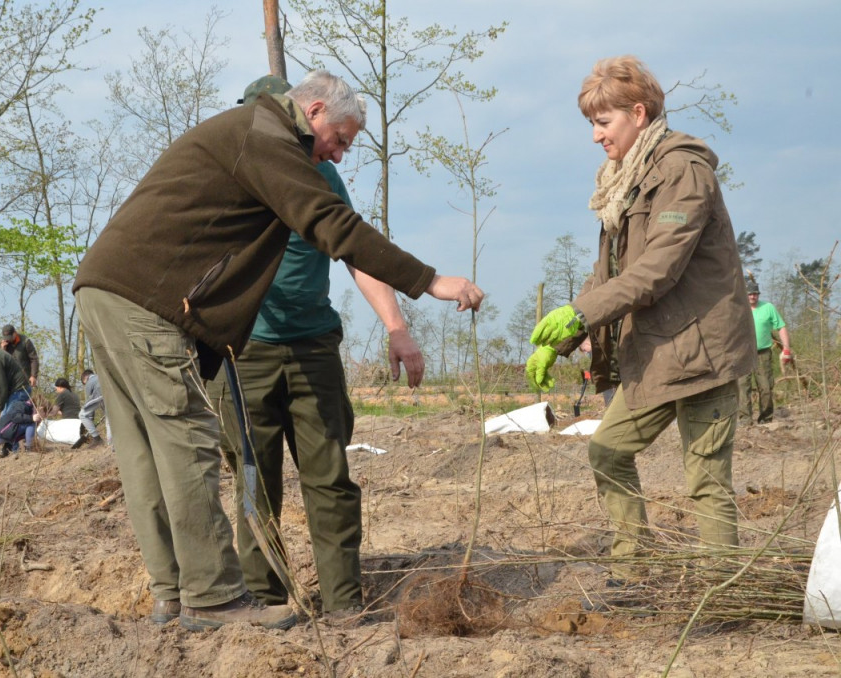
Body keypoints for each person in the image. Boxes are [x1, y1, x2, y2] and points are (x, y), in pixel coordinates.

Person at [72, 69, 483, 632]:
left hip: (106, 291)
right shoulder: (264, 137)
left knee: (145, 453)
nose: (338, 155)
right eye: (339, 139)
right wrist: (430, 280)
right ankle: (214, 598)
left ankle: (171, 594)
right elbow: (332, 225)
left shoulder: (247, 134)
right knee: (187, 443)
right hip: (147, 303)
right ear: (313, 112)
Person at [525, 56, 755, 607]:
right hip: (655, 353)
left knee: (705, 481)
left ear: (638, 112)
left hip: (703, 352)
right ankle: (633, 567)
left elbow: (657, 270)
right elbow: (608, 276)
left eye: (602, 122)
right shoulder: (621, 183)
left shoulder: (682, 171)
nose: (596, 135)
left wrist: (582, 315)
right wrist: (560, 338)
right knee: (607, 449)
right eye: (591, 124)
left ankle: (723, 600)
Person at [207, 75, 426, 624]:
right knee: (255, 481)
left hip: (312, 350)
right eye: (341, 140)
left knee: (328, 478)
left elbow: (356, 251)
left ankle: (343, 605)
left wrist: (398, 328)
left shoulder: (324, 177)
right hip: (245, 351)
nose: (337, 151)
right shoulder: (231, 167)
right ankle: (265, 601)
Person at [738, 279, 792, 424]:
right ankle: (745, 420)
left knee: (766, 387)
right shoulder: (737, 308)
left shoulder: (768, 307)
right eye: (749, 294)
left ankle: (766, 419)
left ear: (758, 294)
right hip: (742, 354)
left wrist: (786, 349)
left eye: (755, 294)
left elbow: (781, 327)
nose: (752, 297)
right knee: (743, 387)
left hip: (763, 354)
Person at [1, 324, 40, 390]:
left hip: (25, 379)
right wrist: (3, 350)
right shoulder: (3, 344)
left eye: (9, 337)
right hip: (10, 381)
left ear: (15, 333)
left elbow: (34, 359)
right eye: (6, 337)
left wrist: (33, 376)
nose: (8, 339)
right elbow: (1, 363)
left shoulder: (26, 341)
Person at [78, 369, 107, 447]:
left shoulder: (89, 382)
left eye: (84, 383)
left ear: (85, 378)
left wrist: (90, 420)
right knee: (109, 418)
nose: (85, 385)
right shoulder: (101, 377)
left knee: (82, 415)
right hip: (110, 393)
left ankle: (97, 439)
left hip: (100, 395)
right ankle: (111, 444)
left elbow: (89, 403)